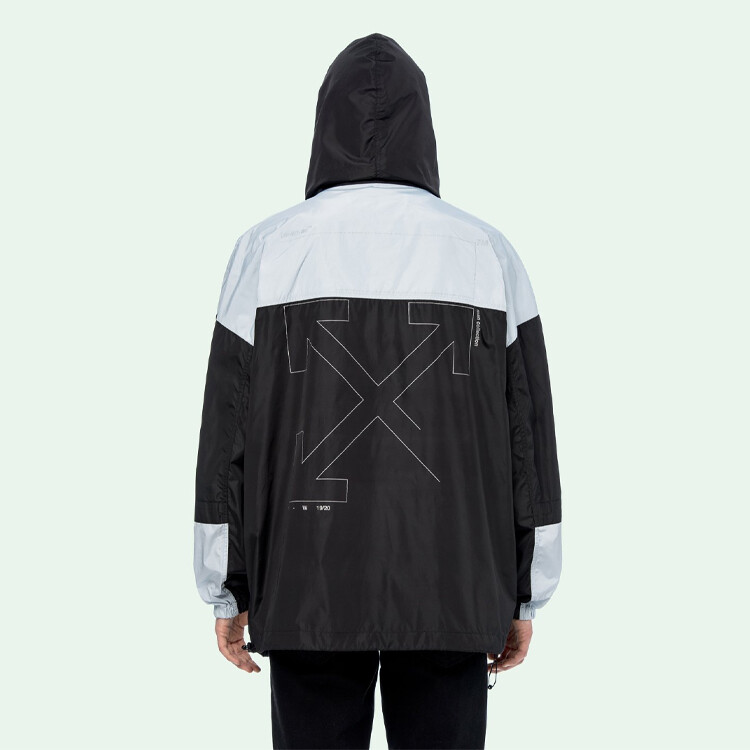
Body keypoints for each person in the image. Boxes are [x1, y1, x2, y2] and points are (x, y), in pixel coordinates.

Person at [193, 31, 562, 750]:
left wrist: (226, 587)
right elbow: (530, 441)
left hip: (307, 582)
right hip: (453, 582)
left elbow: (226, 433)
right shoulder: (487, 253)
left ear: (323, 124)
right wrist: (524, 591)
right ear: (424, 126)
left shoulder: (266, 251)